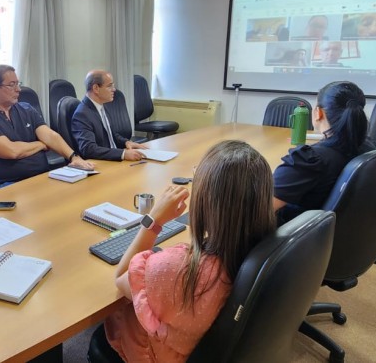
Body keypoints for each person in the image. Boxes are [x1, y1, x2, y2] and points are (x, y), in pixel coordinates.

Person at [89, 140, 277, 362]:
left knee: (102, 330)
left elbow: (122, 277)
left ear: (206, 201)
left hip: (155, 352)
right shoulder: (261, 245)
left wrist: (154, 221)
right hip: (202, 344)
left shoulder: (181, 269)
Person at [0, 64, 94, 190]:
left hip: (42, 177)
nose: (18, 89)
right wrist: (41, 144)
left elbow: (50, 136)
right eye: (12, 84)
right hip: (7, 185)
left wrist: (74, 157)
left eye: (18, 83)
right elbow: (12, 151)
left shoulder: (26, 109)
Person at [272, 81, 376, 224]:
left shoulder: (309, 161)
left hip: (296, 235)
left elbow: (261, 209)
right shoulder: (368, 146)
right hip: (338, 231)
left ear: (318, 113)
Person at [71, 70, 148, 161]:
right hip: (101, 163)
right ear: (96, 88)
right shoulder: (82, 114)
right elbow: (88, 149)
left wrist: (126, 142)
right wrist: (123, 154)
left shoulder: (101, 106)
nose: (114, 89)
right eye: (109, 86)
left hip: (112, 158)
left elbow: (109, 134)